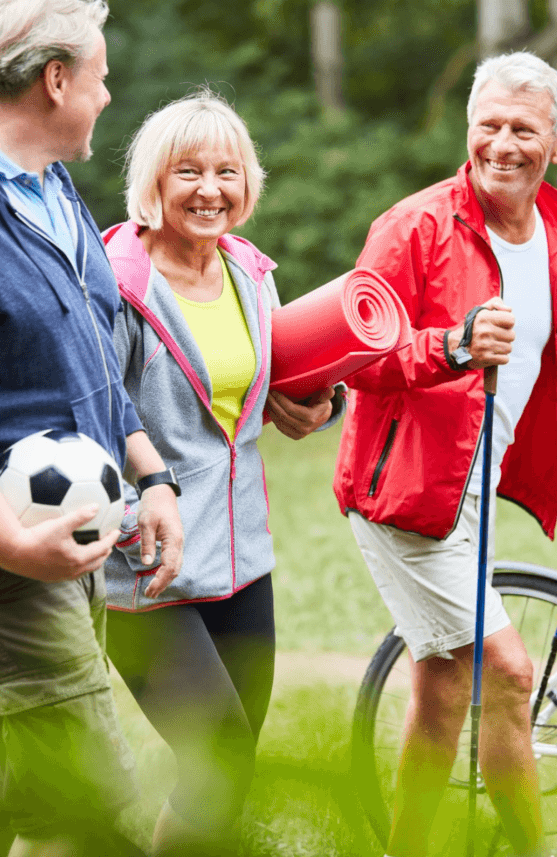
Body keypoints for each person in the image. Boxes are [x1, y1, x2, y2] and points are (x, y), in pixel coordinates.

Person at [333, 51, 557, 857]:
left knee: (443, 691)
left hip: (470, 493)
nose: (502, 143)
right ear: (468, 129)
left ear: (556, 141)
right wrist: (452, 346)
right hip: (407, 497)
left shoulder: (549, 230)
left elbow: (553, 318)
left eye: (522, 129)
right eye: (487, 125)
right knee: (509, 673)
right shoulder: (417, 226)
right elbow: (354, 353)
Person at [0, 1, 185, 855]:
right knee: (93, 808)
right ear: (57, 78)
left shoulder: (51, 188)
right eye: (100, 76)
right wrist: (6, 541)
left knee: (27, 784)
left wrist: (150, 477)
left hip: (67, 541)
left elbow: (94, 366)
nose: (109, 96)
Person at [101, 90, 342, 855]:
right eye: (189, 171)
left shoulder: (249, 273)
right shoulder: (116, 283)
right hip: (147, 563)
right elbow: (90, 408)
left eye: (227, 171)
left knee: (229, 771)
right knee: (220, 758)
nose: (211, 189)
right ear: (154, 183)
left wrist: (313, 407)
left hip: (242, 562)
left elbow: (253, 394)